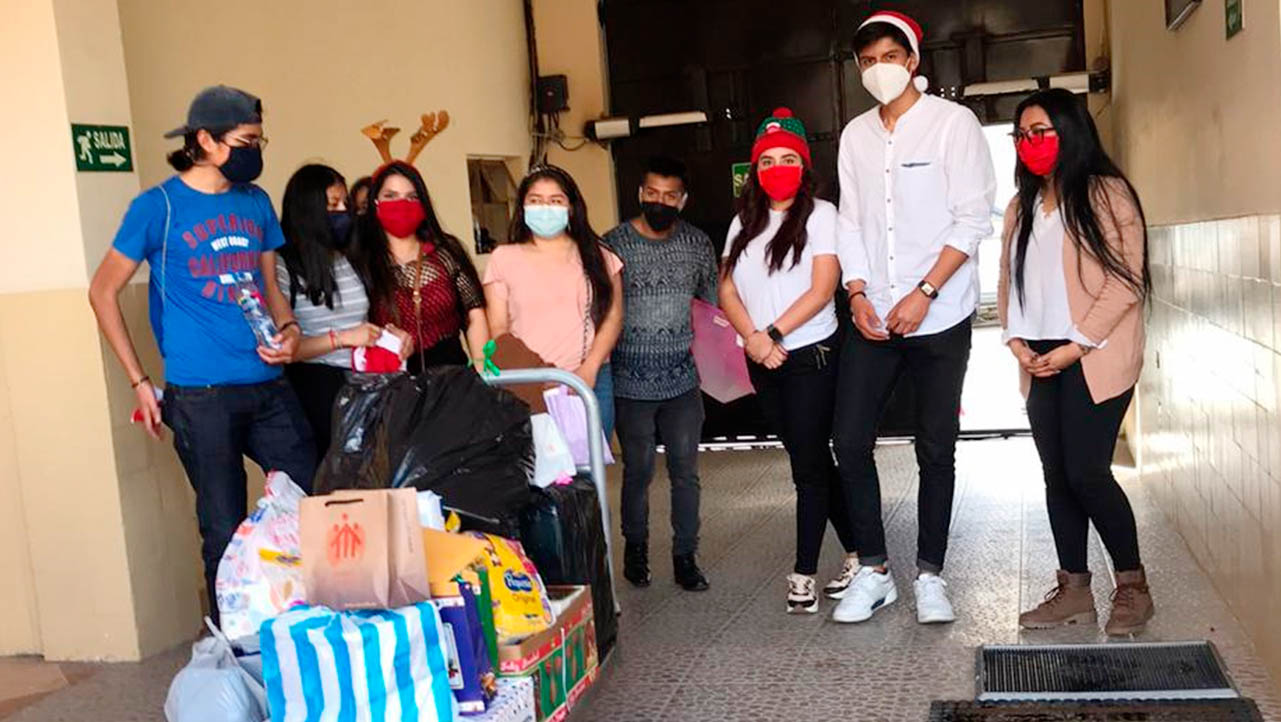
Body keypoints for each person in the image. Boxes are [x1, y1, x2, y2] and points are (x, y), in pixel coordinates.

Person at [88, 86, 315, 623]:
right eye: (245, 141)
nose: (255, 151)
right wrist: (140, 381)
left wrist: (286, 326)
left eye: (259, 140)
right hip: (201, 395)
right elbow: (102, 291)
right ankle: (232, 644)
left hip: (268, 384)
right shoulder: (157, 208)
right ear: (205, 141)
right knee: (222, 525)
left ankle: (311, 628)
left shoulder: (255, 201)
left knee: (312, 501)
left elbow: (269, 283)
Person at [831, 11, 996, 625]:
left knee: (935, 448)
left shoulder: (953, 125)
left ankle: (930, 574)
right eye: (867, 60)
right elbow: (850, 223)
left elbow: (973, 218)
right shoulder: (855, 137)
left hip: (940, 314)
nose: (878, 69)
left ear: (913, 61)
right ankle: (874, 571)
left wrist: (925, 291)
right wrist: (856, 294)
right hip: (873, 316)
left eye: (888, 57)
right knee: (849, 441)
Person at [1000, 89, 1154, 635]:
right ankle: (1073, 591)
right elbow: (1009, 281)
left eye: (1041, 131)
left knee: (1088, 473)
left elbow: (1126, 279)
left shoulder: (1108, 194)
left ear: (1071, 130)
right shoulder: (1021, 206)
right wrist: (1016, 341)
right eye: (1022, 135)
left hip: (1094, 355)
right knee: (1055, 477)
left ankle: (1133, 587)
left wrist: (1078, 343)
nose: (1030, 144)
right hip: (1039, 354)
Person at [718, 108, 854, 614]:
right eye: (768, 160)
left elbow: (823, 290)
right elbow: (726, 287)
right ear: (755, 169)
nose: (778, 167)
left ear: (804, 164)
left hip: (809, 355)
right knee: (813, 457)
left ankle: (804, 573)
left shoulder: (821, 214)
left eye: (788, 159)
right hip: (763, 356)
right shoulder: (743, 222)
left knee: (807, 467)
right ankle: (861, 551)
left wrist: (772, 333)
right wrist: (753, 337)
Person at [604, 155, 717, 593]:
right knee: (638, 471)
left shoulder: (698, 244)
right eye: (652, 193)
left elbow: (711, 309)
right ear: (640, 194)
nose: (660, 201)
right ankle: (636, 549)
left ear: (683, 200)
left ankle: (685, 556)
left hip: (682, 382)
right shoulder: (612, 245)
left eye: (670, 196)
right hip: (629, 382)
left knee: (686, 472)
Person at [276, 164, 413, 459]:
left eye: (344, 204)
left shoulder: (350, 257)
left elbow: (367, 321)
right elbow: (286, 349)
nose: (342, 213)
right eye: (332, 205)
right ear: (308, 211)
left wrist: (392, 336)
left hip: (367, 381)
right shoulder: (283, 264)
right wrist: (343, 338)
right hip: (316, 390)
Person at [483, 165, 624, 437]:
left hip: (589, 379)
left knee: (588, 471)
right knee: (537, 471)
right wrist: (542, 377)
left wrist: (589, 369)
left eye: (555, 201)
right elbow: (499, 329)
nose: (545, 208)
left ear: (571, 207)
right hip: (526, 381)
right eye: (535, 201)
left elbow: (614, 317)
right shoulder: (503, 257)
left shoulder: (599, 256)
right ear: (522, 207)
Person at [350, 161, 488, 373]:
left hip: (453, 380)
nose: (401, 203)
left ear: (423, 203)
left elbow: (474, 313)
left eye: (412, 197)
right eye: (391, 195)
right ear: (375, 202)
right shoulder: (361, 261)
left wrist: (483, 370)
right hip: (392, 386)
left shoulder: (446, 252)